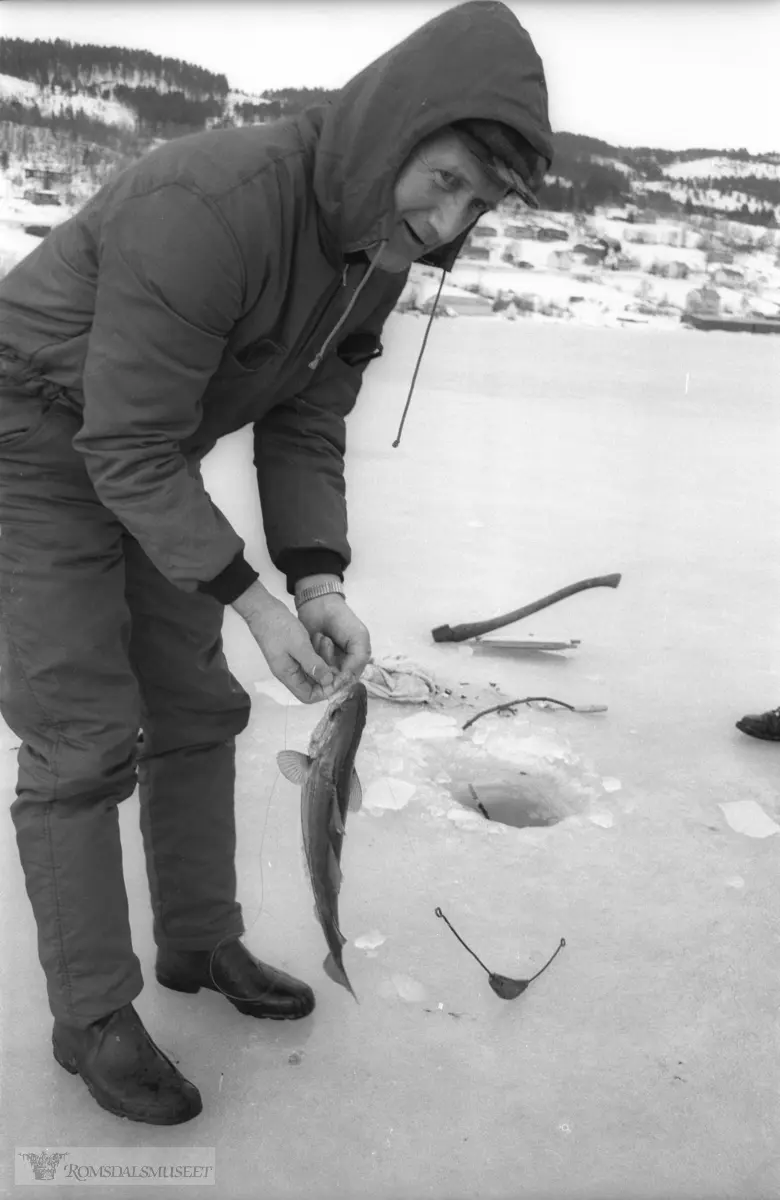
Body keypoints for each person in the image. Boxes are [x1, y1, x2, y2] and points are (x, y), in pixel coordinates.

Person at [0, 0, 553, 1124]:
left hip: (145, 453)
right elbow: (122, 444)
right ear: (395, 128)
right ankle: (92, 1016)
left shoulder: (376, 252)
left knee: (199, 705)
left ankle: (200, 943)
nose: (447, 222)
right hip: (28, 436)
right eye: (442, 180)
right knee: (83, 730)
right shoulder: (211, 201)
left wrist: (315, 580)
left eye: (474, 208)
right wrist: (249, 599)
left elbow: (305, 419)